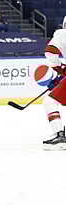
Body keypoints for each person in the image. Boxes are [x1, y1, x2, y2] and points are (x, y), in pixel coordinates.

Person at [42, 16, 66, 150]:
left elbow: (50, 52)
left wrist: (59, 68)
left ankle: (60, 136)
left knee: (49, 102)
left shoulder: (62, 33)